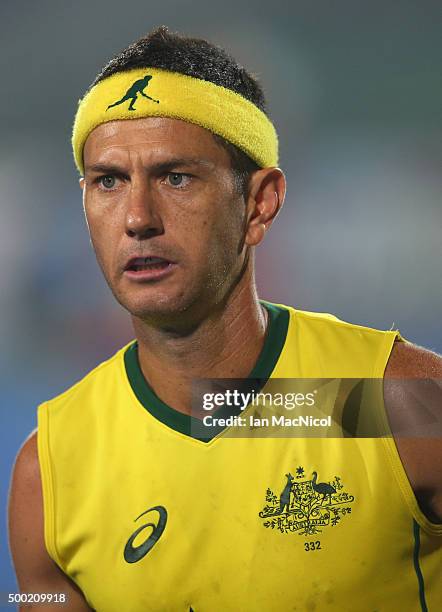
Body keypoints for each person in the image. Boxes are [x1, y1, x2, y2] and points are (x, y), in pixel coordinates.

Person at [8, 26, 442, 611]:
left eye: (176, 177)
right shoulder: (49, 474)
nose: (137, 217)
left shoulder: (396, 404)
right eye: (108, 181)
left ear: (259, 203)